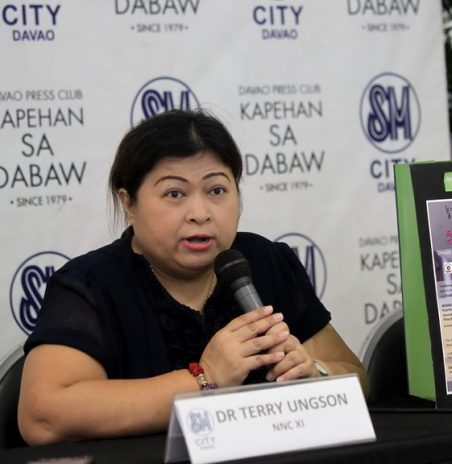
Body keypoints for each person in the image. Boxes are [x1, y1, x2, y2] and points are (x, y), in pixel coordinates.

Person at [18, 109, 368, 445]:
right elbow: (43, 417)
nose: (200, 213)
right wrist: (206, 379)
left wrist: (316, 375)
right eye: (175, 194)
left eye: (216, 190)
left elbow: (359, 378)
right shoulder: (90, 285)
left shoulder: (265, 261)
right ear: (129, 203)